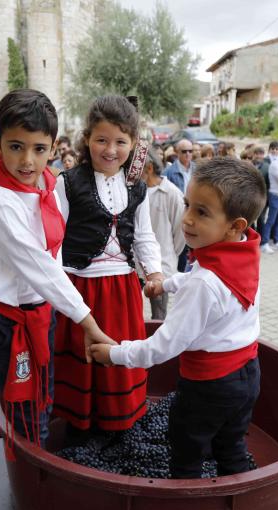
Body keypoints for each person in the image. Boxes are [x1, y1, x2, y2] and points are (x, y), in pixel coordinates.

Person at [90, 157, 265, 479]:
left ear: (235, 225)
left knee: (186, 447)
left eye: (202, 212)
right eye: (187, 205)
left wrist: (115, 354)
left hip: (209, 387)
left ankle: (185, 508)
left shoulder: (204, 284)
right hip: (248, 375)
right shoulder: (243, 252)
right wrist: (166, 283)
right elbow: (204, 279)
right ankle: (238, 499)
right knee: (230, 445)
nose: (186, 219)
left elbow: (165, 345)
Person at [0, 89, 113, 447]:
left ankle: (35, 458)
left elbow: (54, 255)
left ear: (52, 147)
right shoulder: (3, 203)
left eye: (38, 149)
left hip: (42, 310)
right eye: (16, 146)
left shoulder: (48, 186)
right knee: (26, 407)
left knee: (43, 393)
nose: (27, 161)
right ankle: (27, 477)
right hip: (10, 322)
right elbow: (39, 266)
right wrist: (88, 321)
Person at [53, 95, 163, 437]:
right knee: (84, 360)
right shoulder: (67, 182)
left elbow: (144, 235)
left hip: (124, 289)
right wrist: (57, 288)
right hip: (81, 288)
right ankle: (80, 425)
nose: (110, 149)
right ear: (87, 139)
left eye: (120, 141)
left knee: (119, 357)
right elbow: (54, 240)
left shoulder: (138, 188)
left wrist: (155, 271)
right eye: (102, 140)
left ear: (132, 143)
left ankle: (119, 424)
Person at [141, 150, 185, 320]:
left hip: (161, 265)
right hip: (135, 265)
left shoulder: (172, 193)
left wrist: (170, 254)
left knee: (159, 314)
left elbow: (180, 233)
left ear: (149, 168)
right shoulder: (136, 191)